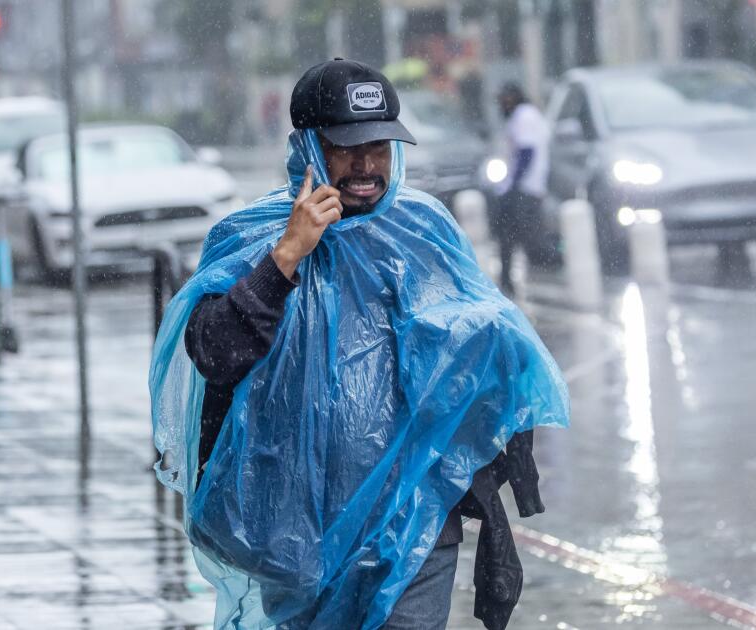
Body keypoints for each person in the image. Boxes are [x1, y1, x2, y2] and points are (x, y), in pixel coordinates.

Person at [150, 59, 568, 629]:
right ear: (309, 148)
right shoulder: (253, 236)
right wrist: (288, 255)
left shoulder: (425, 231)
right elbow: (216, 352)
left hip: (413, 525)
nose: (367, 165)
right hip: (295, 533)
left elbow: (483, 361)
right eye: (347, 148)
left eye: (380, 146)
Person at [494, 83, 550, 294]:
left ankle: (509, 281)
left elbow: (527, 152)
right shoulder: (526, 115)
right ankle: (507, 280)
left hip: (524, 189)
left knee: (519, 238)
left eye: (505, 100)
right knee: (512, 236)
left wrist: (512, 184)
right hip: (526, 188)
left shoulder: (524, 116)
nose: (502, 105)